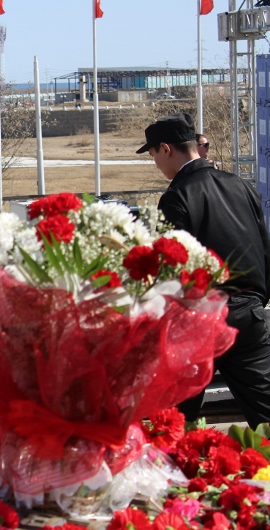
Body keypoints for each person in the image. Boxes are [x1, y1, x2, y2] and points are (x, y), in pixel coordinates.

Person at [137, 112, 270, 429]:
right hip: (250, 317)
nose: (156, 164)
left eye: (154, 155)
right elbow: (263, 246)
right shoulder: (239, 184)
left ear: (166, 149)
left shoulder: (176, 196)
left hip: (201, 324)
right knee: (266, 413)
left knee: (176, 421)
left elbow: (173, 270)